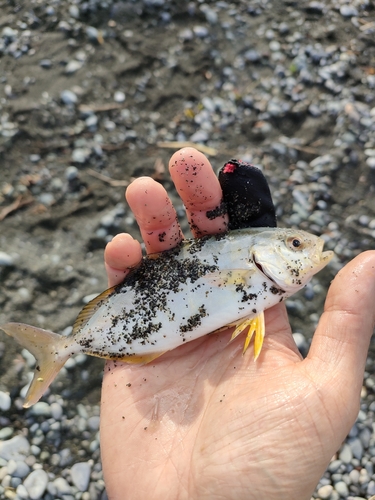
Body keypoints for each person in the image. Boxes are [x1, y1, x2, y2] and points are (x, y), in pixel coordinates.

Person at [100, 147, 375, 500]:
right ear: (260, 256)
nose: (307, 250)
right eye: (294, 245)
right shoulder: (260, 280)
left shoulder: (264, 289)